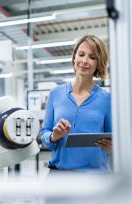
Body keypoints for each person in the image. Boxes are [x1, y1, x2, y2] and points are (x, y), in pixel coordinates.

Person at [40, 35, 112, 172]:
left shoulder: (106, 99)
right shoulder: (55, 93)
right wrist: (54, 136)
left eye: (92, 57)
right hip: (60, 175)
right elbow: (44, 134)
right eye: (81, 54)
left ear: (99, 63)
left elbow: (114, 139)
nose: (84, 61)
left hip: (95, 177)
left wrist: (113, 147)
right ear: (74, 58)